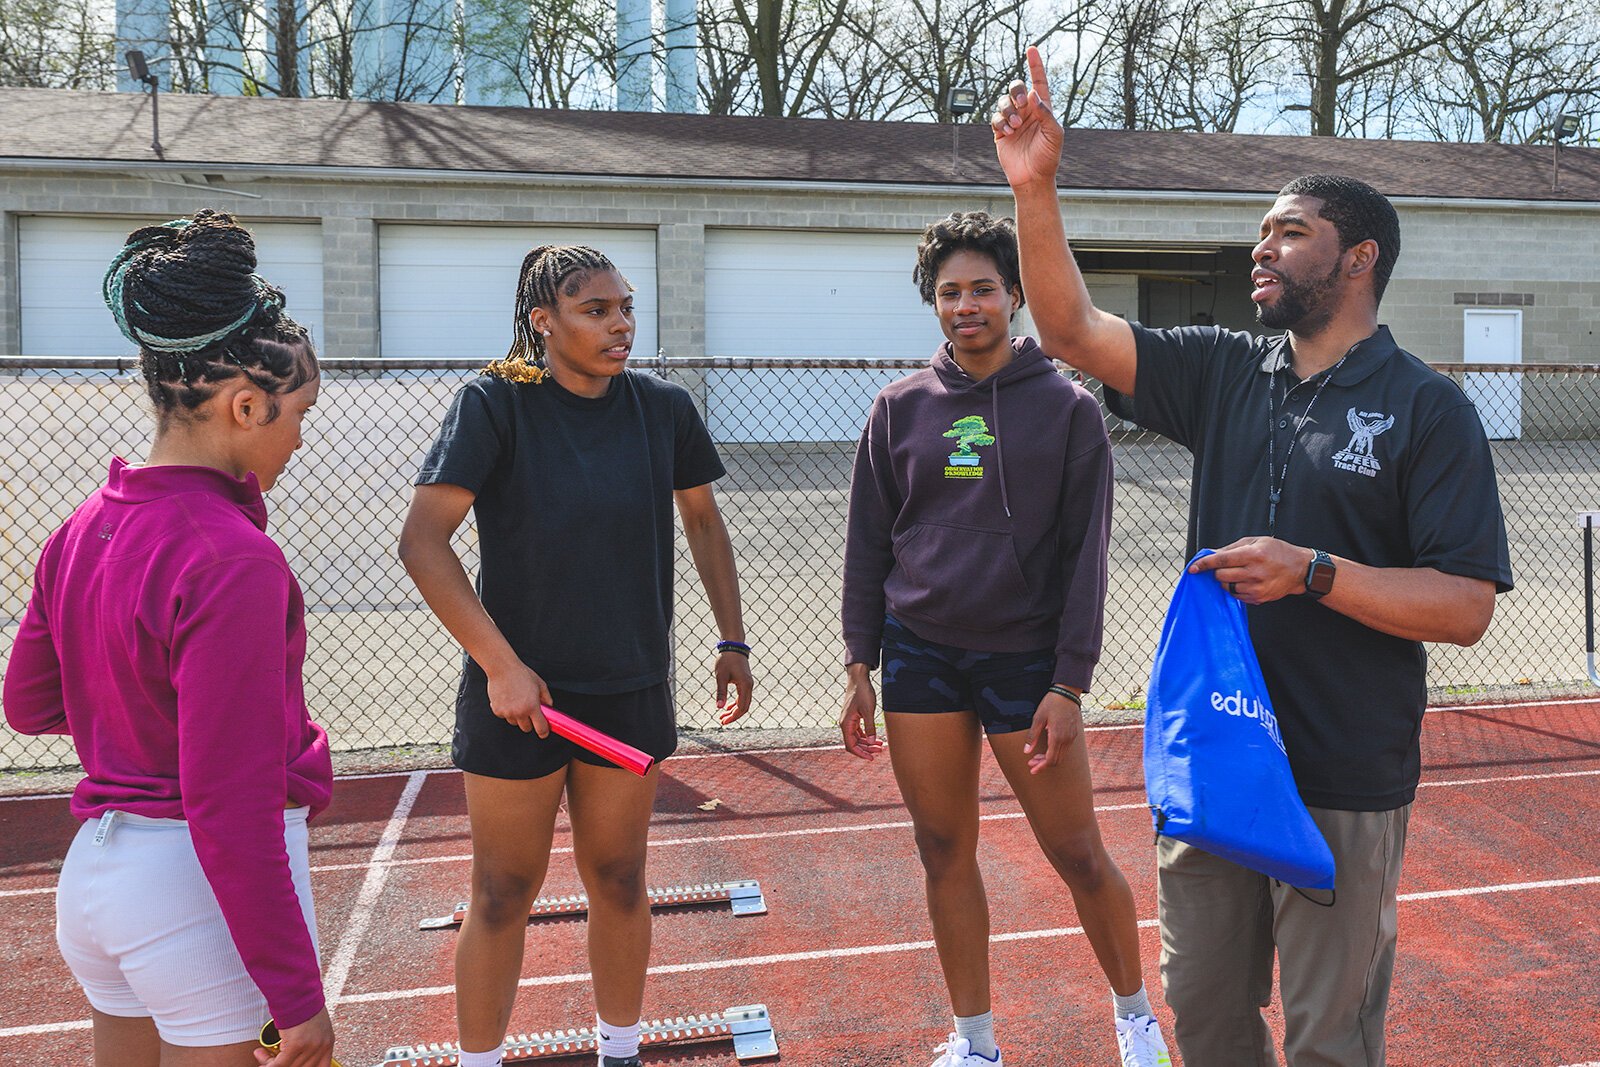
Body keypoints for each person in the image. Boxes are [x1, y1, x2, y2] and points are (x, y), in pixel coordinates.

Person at [991, 49, 1512, 1067]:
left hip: (1342, 771)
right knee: (1212, 1023)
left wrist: (1313, 570)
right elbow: (1066, 327)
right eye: (1260, 229)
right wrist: (1035, 188)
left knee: (1327, 1041)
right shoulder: (1225, 368)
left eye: (1289, 230)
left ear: (1357, 258)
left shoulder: (1427, 408)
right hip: (1216, 761)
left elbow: (1462, 605)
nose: (1259, 247)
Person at [398, 244, 754, 1067]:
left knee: (622, 880)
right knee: (501, 892)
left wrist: (730, 637)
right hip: (517, 700)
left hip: (628, 687)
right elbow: (423, 542)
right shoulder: (494, 405)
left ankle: (620, 1051)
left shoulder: (662, 408)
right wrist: (501, 665)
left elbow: (703, 520)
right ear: (543, 322)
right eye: (596, 310)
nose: (621, 324)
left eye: (626, 306)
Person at [2, 210, 335, 1067]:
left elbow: (29, 702)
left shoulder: (81, 527)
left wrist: (135, 713)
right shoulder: (235, 558)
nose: (300, 437)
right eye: (298, 413)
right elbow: (230, 798)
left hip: (98, 877)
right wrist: (298, 998)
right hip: (191, 889)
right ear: (246, 403)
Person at [839, 211, 1171, 1067]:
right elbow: (869, 545)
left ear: (1015, 295)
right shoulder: (896, 409)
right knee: (943, 847)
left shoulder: (1068, 411)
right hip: (920, 653)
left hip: (1025, 662)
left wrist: (1069, 682)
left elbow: (1085, 558)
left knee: (1076, 850)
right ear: (933, 303)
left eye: (983, 287)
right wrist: (858, 663)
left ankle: (1136, 1020)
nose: (966, 305)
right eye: (949, 292)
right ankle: (975, 1042)